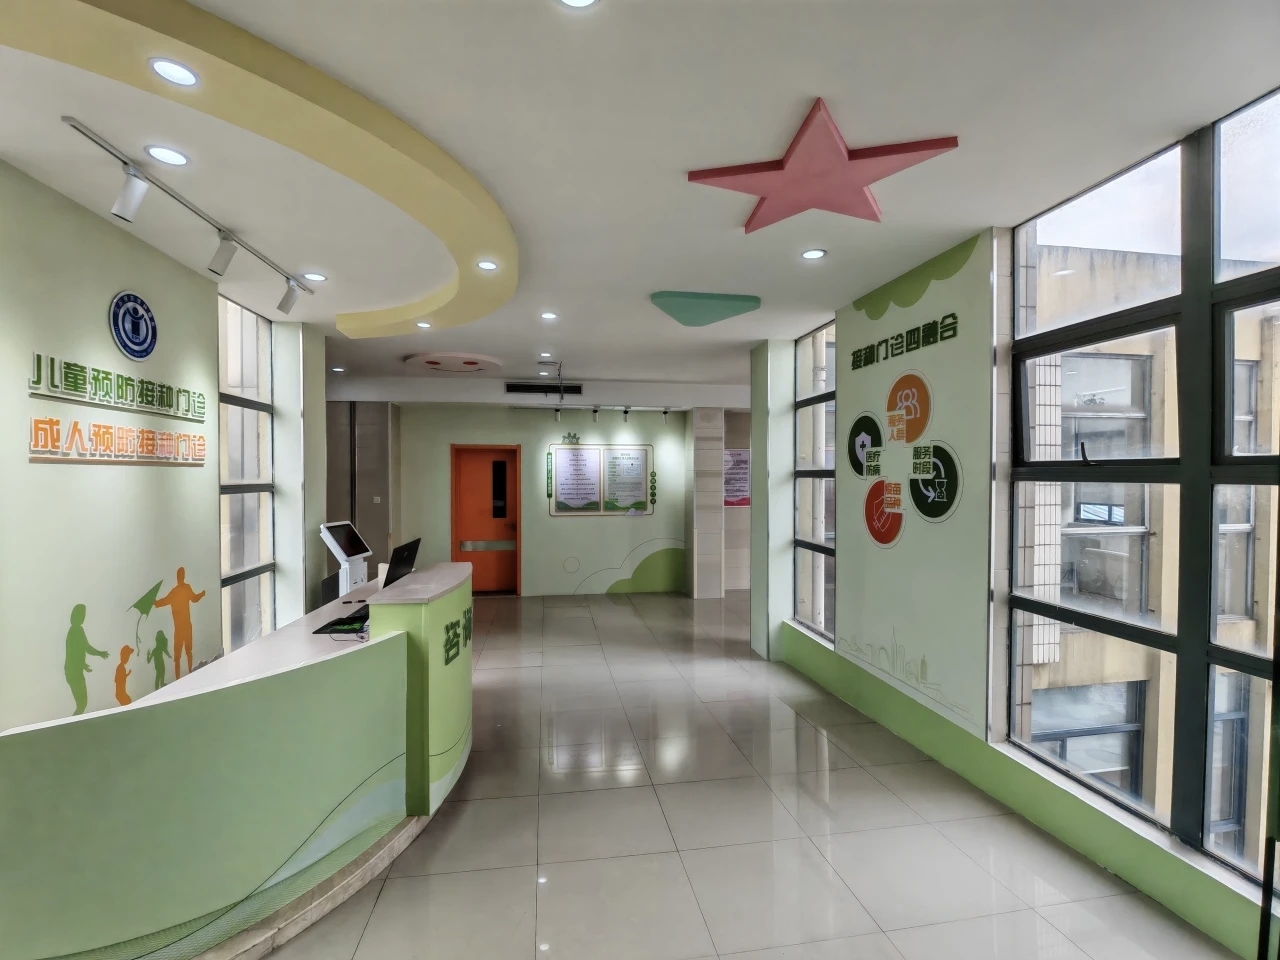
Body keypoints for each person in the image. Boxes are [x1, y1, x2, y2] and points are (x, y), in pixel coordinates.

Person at [155, 567, 205, 679]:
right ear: (182, 577)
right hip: (182, 628)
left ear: (179, 577)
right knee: (181, 655)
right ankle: (181, 677)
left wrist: (201, 594)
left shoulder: (179, 590)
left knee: (185, 653)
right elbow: (194, 598)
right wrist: (155, 603)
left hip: (183, 628)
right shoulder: (180, 590)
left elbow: (194, 598)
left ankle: (188, 674)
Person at [64, 604, 108, 715]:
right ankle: (74, 723)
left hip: (75, 671)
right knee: (82, 704)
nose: (83, 617)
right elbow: (76, 652)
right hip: (73, 672)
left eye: (84, 615)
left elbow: (82, 649)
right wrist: (99, 654)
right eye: (81, 615)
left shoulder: (78, 630)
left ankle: (75, 722)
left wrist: (84, 664)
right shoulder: (74, 631)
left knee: (82, 703)